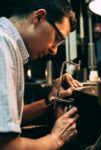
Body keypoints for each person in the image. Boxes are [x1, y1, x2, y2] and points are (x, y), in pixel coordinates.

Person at [0, 0, 82, 149]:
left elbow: (10, 119)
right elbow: (8, 147)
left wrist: (50, 100)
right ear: (38, 17)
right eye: (57, 39)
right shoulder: (3, 45)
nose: (54, 50)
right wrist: (56, 139)